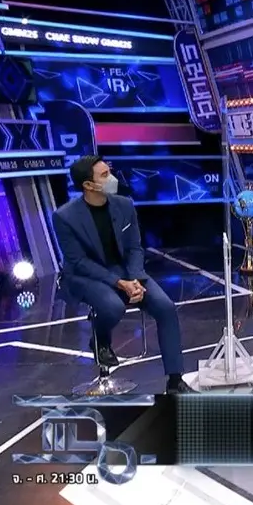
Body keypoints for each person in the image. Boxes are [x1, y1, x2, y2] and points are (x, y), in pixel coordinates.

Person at [53, 155, 193, 394]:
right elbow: (79, 262)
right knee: (112, 306)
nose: (112, 178)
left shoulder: (124, 205)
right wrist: (120, 283)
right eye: (105, 175)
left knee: (166, 308)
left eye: (109, 171)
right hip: (86, 276)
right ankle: (100, 339)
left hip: (126, 271)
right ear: (88, 185)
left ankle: (175, 380)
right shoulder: (64, 217)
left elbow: (135, 248)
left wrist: (134, 279)